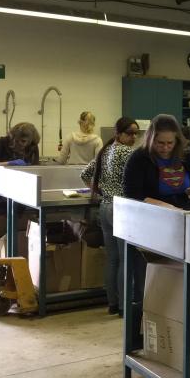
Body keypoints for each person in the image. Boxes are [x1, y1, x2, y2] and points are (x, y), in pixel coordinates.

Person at [81, 117, 139, 316]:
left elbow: (85, 174)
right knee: (125, 260)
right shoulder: (128, 153)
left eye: (136, 133)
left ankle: (112, 304)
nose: (133, 137)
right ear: (119, 134)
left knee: (112, 259)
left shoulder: (105, 150)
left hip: (105, 207)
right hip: (122, 209)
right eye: (130, 133)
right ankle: (124, 307)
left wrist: (100, 191)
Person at [123, 114, 190, 209]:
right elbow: (131, 193)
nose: (165, 148)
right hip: (149, 213)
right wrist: (165, 207)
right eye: (160, 143)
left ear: (177, 140)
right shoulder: (139, 158)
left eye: (170, 143)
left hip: (181, 212)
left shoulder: (186, 155)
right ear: (151, 140)